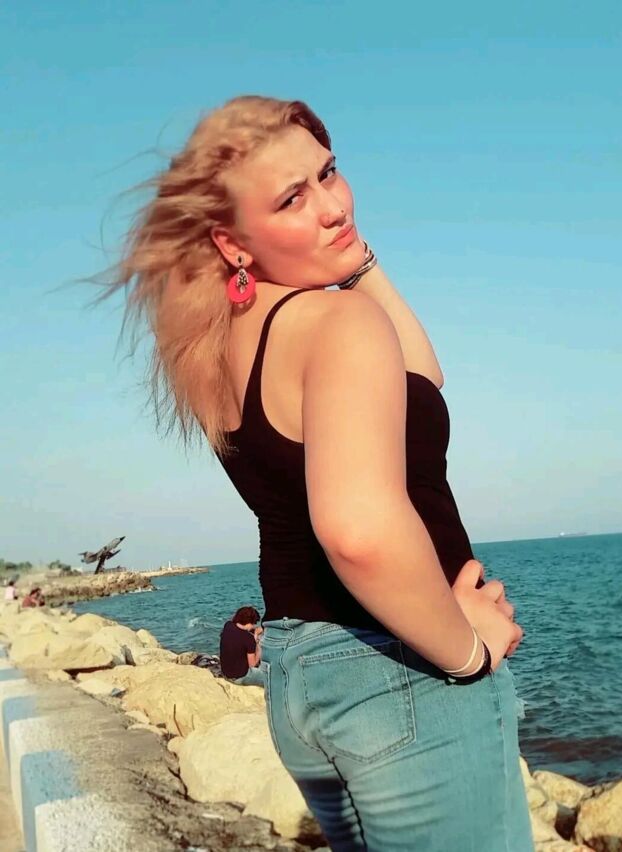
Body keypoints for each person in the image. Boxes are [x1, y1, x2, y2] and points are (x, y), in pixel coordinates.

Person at [103, 96, 534, 850]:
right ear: (232, 242)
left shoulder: (214, 351)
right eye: (292, 199)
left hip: (304, 674)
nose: (333, 206)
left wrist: (355, 259)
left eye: (329, 174)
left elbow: (421, 379)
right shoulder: (336, 324)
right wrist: (468, 653)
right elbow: (356, 533)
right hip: (403, 672)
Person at [219, 605, 265, 686]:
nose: (254, 626)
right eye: (254, 623)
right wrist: (258, 644)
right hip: (240, 678)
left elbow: (239, 636)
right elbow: (252, 664)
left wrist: (254, 632)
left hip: (226, 673)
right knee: (270, 678)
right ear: (250, 622)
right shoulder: (249, 639)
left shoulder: (228, 625)